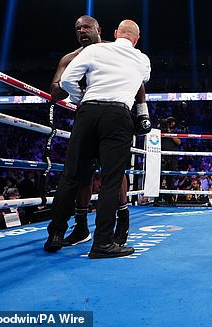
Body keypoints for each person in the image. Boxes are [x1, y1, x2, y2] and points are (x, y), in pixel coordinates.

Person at [44, 19, 151, 259]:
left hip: (88, 112)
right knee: (111, 180)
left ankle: (55, 235)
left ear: (114, 33)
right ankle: (103, 242)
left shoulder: (94, 50)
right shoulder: (142, 59)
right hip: (118, 114)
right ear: (136, 39)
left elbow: (66, 81)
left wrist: (81, 99)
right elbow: (142, 81)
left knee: (71, 175)